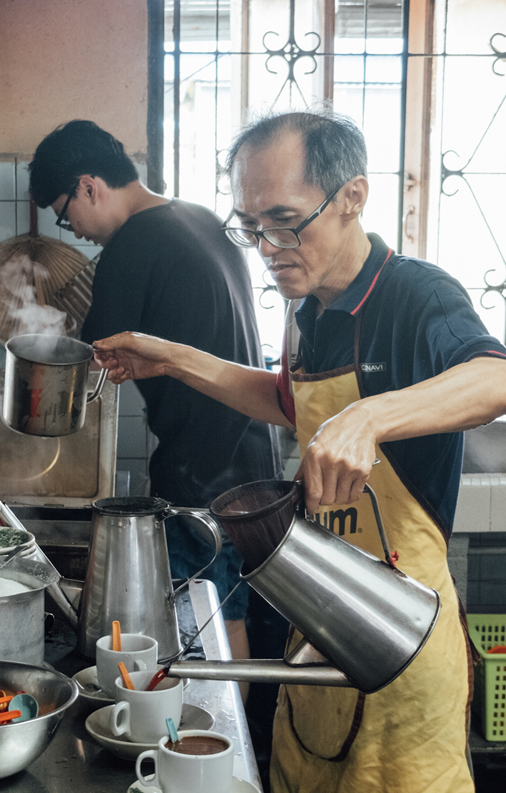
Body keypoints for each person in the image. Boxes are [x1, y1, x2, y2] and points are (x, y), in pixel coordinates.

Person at [90, 110, 506, 793]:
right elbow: (288, 400)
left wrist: (369, 417)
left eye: (284, 221)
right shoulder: (306, 309)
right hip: (318, 628)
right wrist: (169, 356)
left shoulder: (415, 295)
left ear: (352, 197)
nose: (266, 246)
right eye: (250, 226)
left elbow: (495, 378)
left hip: (400, 643)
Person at [28, 120, 284, 681]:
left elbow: (83, 356)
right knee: (224, 617)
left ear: (88, 185)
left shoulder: (135, 242)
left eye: (65, 214)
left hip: (201, 477)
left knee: (197, 631)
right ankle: (232, 752)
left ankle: (211, 750)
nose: (72, 230)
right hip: (252, 463)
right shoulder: (194, 217)